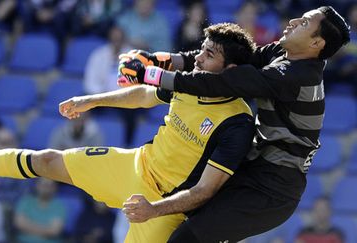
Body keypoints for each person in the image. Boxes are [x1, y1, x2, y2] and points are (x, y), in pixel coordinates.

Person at [0, 23, 256, 242]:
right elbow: (143, 95)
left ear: (231, 71)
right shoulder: (190, 83)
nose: (197, 59)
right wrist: (91, 101)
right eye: (201, 49)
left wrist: (153, 210)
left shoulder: (237, 122)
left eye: (208, 55)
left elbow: (205, 191)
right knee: (46, 160)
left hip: (163, 204)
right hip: (134, 165)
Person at [117, 5, 350, 243]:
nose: (293, 21)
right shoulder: (283, 52)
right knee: (179, 216)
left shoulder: (298, 77)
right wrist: (159, 59)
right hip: (253, 169)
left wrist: (150, 75)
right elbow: (225, 61)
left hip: (270, 191)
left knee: (185, 238)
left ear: (316, 44)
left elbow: (222, 82)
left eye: (304, 23)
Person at [14, 178, 66, 243]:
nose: (46, 188)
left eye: (49, 185)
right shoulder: (26, 201)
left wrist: (28, 227)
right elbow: (19, 224)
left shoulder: (59, 206)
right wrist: (46, 230)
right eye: (43, 185)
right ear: (37, 185)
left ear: (54, 188)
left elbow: (54, 231)